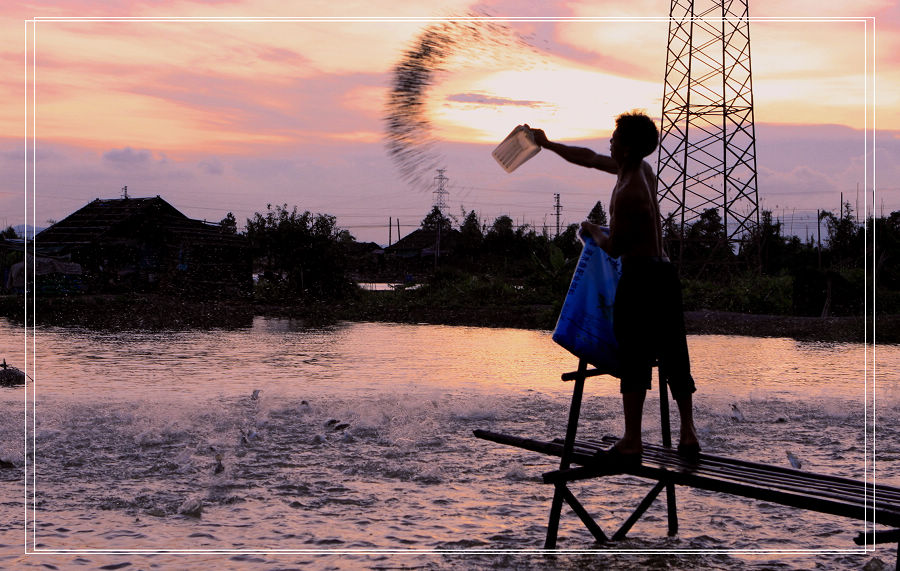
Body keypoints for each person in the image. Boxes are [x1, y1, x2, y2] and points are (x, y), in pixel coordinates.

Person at [528, 112, 700, 464]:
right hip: (665, 275)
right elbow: (589, 159)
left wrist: (592, 230)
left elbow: (617, 247)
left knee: (635, 356)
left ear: (628, 147)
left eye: (615, 138)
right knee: (673, 353)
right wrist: (547, 145)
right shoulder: (637, 170)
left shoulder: (629, 193)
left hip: (641, 279)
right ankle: (688, 433)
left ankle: (632, 441)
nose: (610, 141)